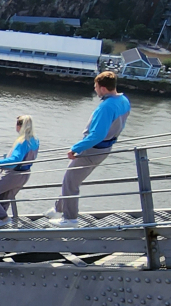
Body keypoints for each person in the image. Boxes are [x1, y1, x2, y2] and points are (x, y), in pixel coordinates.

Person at [47, 71, 131, 225]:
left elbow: (97, 135)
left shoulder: (106, 106)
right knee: (71, 178)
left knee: (70, 181)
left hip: (93, 149)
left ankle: (70, 218)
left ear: (103, 88)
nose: (95, 89)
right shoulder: (123, 100)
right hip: (105, 147)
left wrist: (75, 148)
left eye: (96, 86)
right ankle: (58, 208)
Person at [0, 115, 39, 227]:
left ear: (20, 126)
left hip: (14, 175)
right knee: (4, 199)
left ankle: (3, 218)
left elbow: (15, 159)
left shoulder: (22, 142)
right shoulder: (35, 140)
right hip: (25, 174)